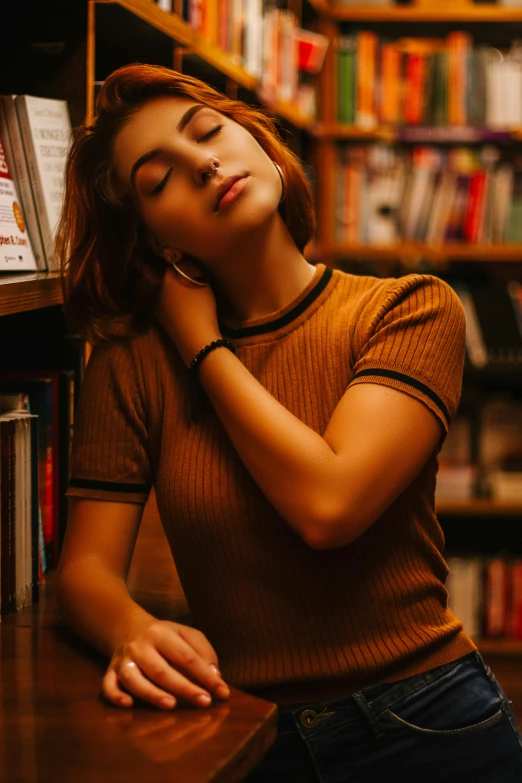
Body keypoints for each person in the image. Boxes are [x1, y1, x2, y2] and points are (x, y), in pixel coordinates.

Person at [56, 63, 522, 782]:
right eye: (160, 180)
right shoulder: (132, 361)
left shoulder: (409, 309)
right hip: (240, 731)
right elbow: (84, 567)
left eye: (209, 131)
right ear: (156, 240)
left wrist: (202, 345)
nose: (204, 162)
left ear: (259, 141)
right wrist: (131, 631)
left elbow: (328, 506)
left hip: (427, 721)